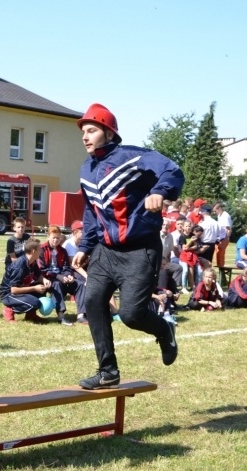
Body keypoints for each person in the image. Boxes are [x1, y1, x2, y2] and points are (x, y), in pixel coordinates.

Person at [72, 102, 182, 390]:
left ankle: (164, 329)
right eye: (83, 131)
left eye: (92, 130)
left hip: (139, 250)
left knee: (131, 315)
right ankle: (107, 371)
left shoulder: (133, 157)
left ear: (109, 133)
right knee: (94, 302)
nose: (85, 136)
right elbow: (91, 212)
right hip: (105, 253)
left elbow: (172, 170)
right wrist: (85, 246)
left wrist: (159, 191)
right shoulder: (87, 168)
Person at [0, 238, 52, 322]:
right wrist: (34, 288)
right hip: (8, 294)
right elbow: (14, 290)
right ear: (33, 251)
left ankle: (30, 315)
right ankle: (9, 309)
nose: (41, 251)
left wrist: (44, 280)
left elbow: (38, 275)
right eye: (39, 249)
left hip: (21, 289)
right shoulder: (19, 266)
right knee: (35, 303)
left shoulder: (32, 261)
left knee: (42, 289)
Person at [37, 225, 80, 326]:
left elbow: (66, 267)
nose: (56, 240)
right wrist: (57, 276)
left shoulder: (62, 250)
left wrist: (68, 275)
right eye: (53, 238)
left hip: (61, 277)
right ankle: (61, 316)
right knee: (56, 284)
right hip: (47, 278)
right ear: (48, 237)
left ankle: (82, 314)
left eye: (58, 238)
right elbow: (42, 269)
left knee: (80, 284)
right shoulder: (42, 250)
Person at [63, 220, 90, 324]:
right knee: (84, 283)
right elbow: (74, 265)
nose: (85, 233)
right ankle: (82, 314)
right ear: (75, 233)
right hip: (69, 272)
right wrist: (87, 276)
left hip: (80, 269)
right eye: (82, 231)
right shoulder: (69, 244)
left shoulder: (83, 242)